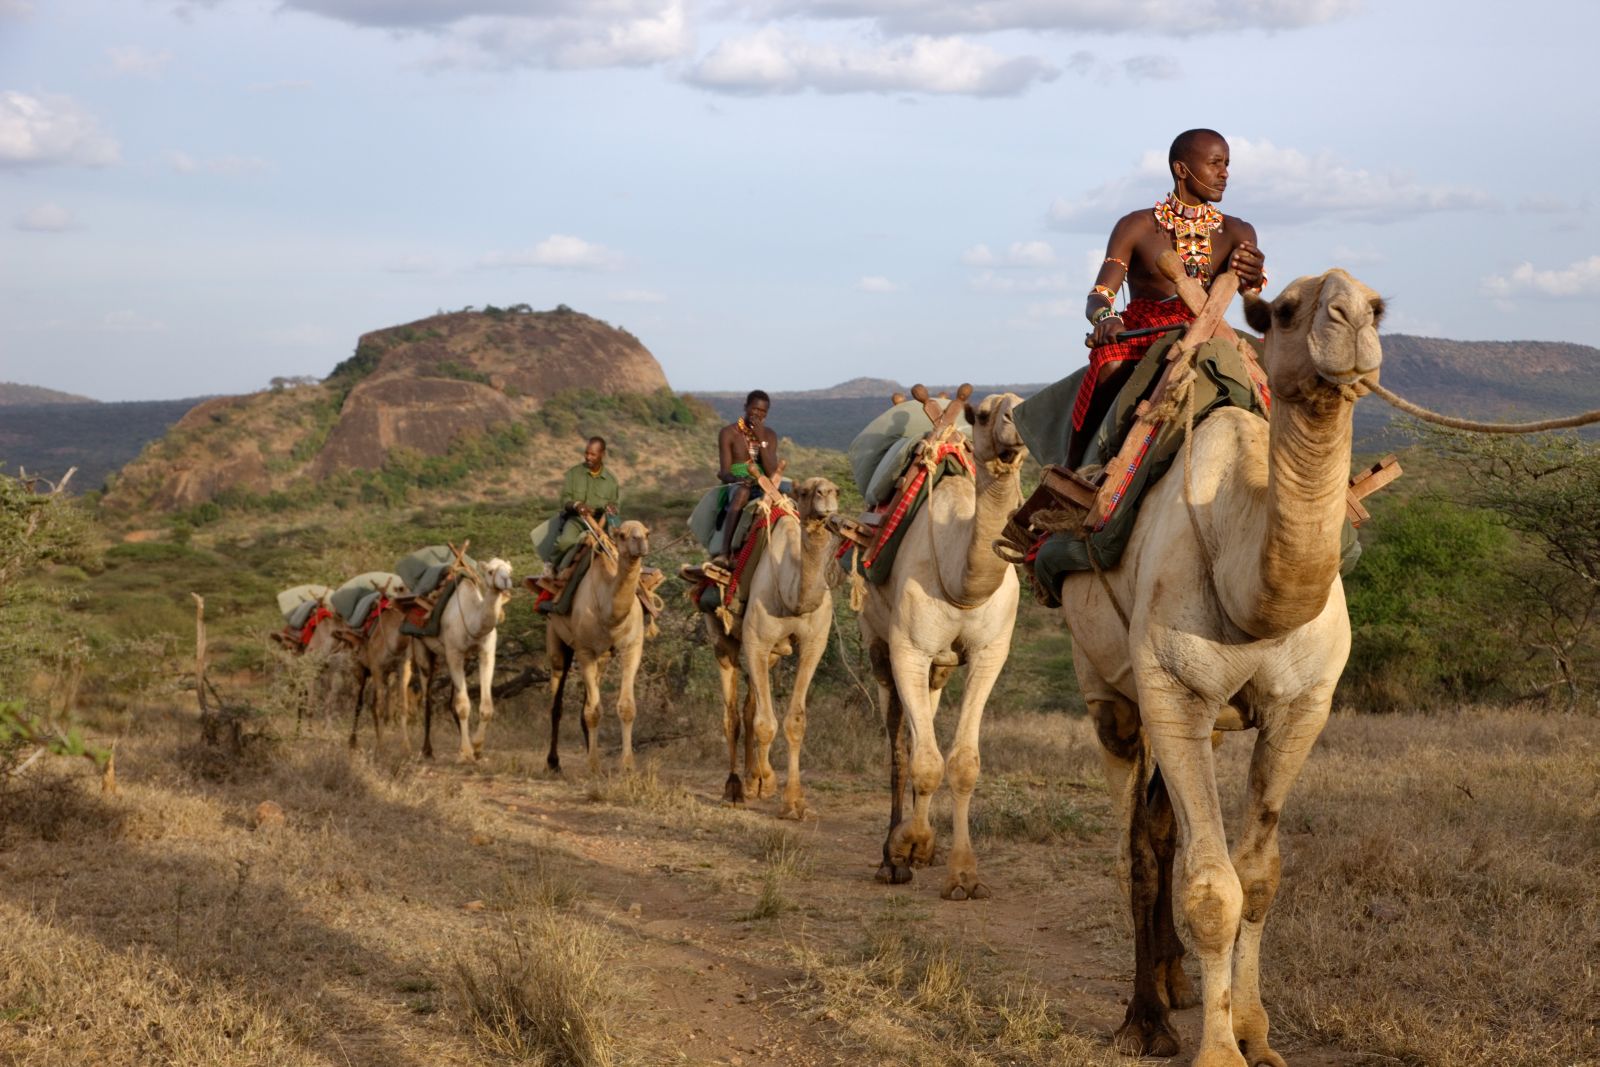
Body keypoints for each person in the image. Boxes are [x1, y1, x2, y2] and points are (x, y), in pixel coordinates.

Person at [1070, 128, 1267, 466]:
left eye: (1227, 164)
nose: (1225, 174)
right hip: (1142, 333)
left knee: (1273, 368)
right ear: (1181, 169)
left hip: (1210, 332)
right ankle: (1075, 468)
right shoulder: (1137, 226)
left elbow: (1255, 308)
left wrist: (1253, 279)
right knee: (1109, 365)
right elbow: (1100, 295)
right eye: (1215, 163)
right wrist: (1106, 318)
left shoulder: (1239, 231)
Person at [712, 390, 779, 563]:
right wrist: (738, 480)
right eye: (755, 409)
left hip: (764, 481)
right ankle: (725, 553)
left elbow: (772, 470)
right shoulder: (729, 433)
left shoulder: (769, 435)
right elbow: (725, 472)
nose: (758, 414)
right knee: (742, 493)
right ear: (746, 407)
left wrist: (760, 437)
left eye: (763, 412)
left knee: (793, 495)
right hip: (738, 482)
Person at [544, 436, 620, 570]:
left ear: (602, 454)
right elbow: (565, 500)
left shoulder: (611, 481)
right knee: (564, 542)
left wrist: (612, 511)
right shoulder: (574, 473)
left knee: (615, 551)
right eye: (586, 453)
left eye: (593, 454)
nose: (588, 457)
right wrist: (576, 505)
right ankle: (550, 567)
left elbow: (614, 509)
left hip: (600, 525)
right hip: (577, 519)